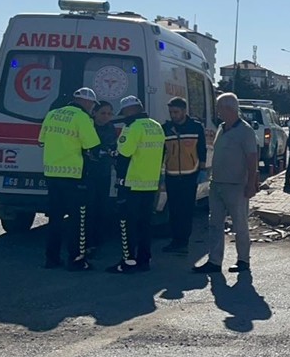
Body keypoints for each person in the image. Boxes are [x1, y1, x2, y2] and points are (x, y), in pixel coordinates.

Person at [193, 93, 258, 274]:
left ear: (229, 108)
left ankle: (243, 260)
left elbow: (252, 158)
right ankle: (214, 262)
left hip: (236, 186)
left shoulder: (245, 131)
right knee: (214, 224)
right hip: (217, 184)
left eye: (219, 108)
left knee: (240, 224)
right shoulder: (221, 128)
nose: (218, 112)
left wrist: (251, 183)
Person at [38, 87, 101, 269]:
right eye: (92, 105)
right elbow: (93, 146)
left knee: (55, 219)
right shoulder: (82, 118)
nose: (92, 108)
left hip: (51, 173)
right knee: (77, 220)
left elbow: (41, 140)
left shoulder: (52, 114)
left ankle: (51, 259)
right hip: (73, 176)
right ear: (87, 102)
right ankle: (76, 260)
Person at [107, 96, 165, 274]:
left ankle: (128, 261)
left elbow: (124, 153)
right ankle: (144, 260)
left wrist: (111, 151)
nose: (123, 116)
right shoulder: (156, 126)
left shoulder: (132, 127)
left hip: (131, 183)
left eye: (124, 112)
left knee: (127, 224)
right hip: (150, 184)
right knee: (145, 224)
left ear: (130, 110)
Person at [162, 97, 207, 254]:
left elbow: (202, 149)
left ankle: (184, 241)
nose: (173, 115)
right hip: (171, 174)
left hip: (190, 175)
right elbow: (162, 152)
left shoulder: (195, 127)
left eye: (176, 112)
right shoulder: (166, 128)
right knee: (174, 210)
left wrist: (202, 170)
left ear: (184, 111)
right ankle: (175, 240)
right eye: (171, 112)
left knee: (186, 210)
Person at [84, 100, 119, 252]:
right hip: (88, 172)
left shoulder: (110, 128)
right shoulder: (88, 126)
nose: (106, 117)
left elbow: (112, 146)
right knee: (89, 208)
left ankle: (97, 241)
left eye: (109, 114)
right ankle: (87, 241)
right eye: (103, 113)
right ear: (94, 113)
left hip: (104, 172)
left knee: (101, 207)